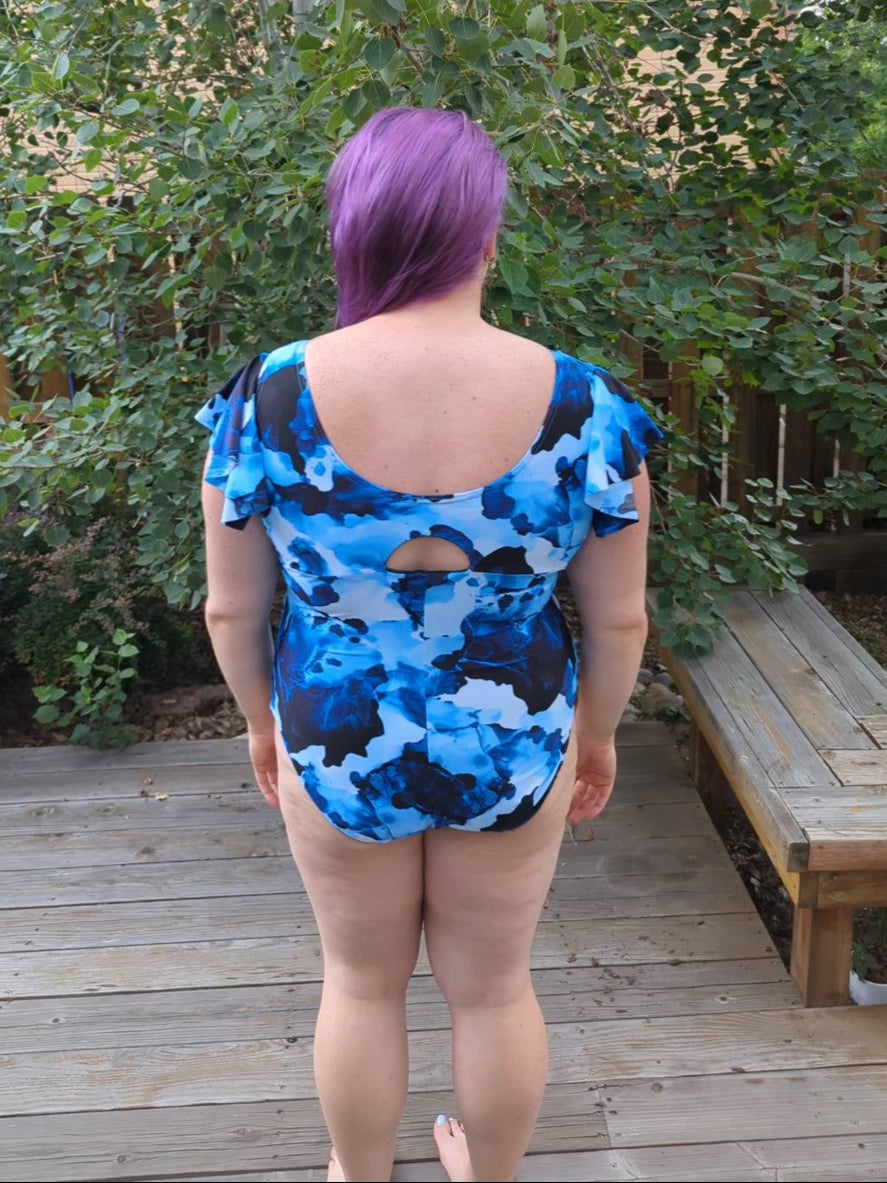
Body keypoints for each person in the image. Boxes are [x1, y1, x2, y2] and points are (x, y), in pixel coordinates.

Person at [198, 106, 660, 1183]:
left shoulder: (267, 399)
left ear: (349, 233)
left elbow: (229, 610)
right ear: (484, 236)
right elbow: (620, 617)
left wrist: (261, 726)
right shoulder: (587, 408)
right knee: (494, 987)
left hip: (331, 729)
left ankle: (358, 1176)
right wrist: (593, 739)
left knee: (358, 983)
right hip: (512, 737)